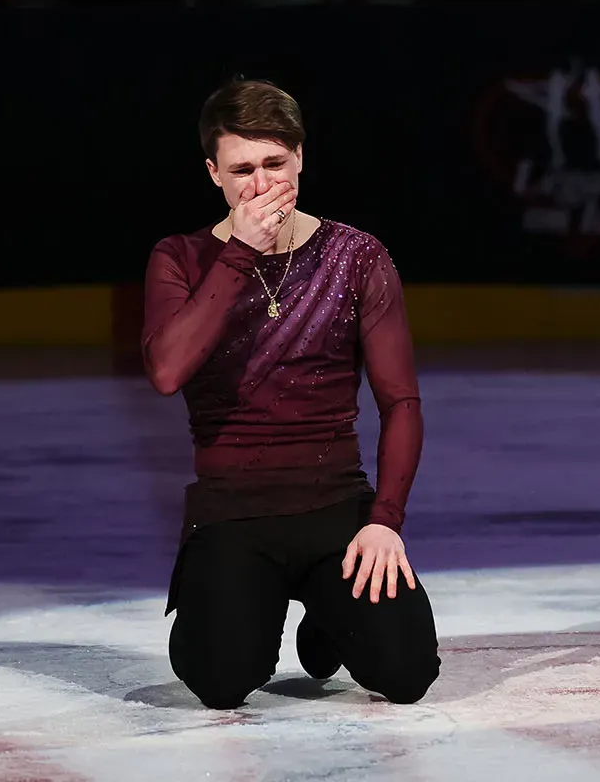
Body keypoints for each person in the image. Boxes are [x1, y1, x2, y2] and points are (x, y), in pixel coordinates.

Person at [142, 79, 439, 710]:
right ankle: (237, 600)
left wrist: (385, 521)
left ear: (301, 157)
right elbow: (167, 372)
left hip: (335, 509)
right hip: (232, 513)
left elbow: (401, 403)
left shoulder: (356, 256)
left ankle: (327, 616)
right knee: (222, 683)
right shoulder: (181, 257)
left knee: (407, 672)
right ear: (213, 174)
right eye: (241, 169)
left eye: (275, 164)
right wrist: (242, 252)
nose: (259, 184)